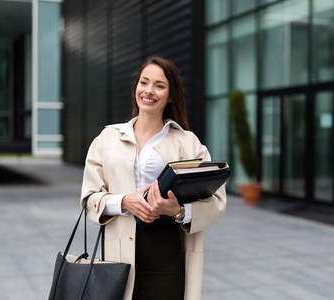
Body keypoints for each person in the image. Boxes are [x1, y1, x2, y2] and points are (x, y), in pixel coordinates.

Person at [80, 56, 226, 300]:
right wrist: (125, 201)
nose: (149, 91)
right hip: (117, 253)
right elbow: (88, 198)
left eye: (159, 85)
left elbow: (217, 204)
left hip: (166, 251)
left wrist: (177, 210)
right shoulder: (106, 139)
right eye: (144, 82)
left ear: (171, 95)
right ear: (136, 87)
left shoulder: (188, 143)